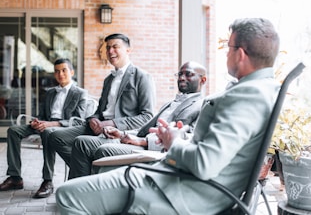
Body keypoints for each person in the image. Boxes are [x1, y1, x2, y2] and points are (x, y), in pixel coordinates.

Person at [55, 18, 280, 214]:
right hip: (175, 177)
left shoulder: (247, 96)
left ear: (240, 54)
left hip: (181, 192)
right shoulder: (260, 90)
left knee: (67, 195)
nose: (227, 53)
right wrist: (175, 137)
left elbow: (204, 164)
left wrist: (174, 141)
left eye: (229, 48)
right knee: (96, 164)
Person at [68, 61, 207, 179]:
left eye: (188, 74)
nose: (182, 77)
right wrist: (121, 134)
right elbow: (145, 129)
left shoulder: (202, 106)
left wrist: (142, 141)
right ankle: (73, 195)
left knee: (104, 150)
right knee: (82, 142)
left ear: (203, 80)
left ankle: (98, 200)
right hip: (138, 140)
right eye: (180, 74)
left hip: (155, 150)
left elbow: (189, 139)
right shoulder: (169, 104)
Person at [48, 33, 155, 175]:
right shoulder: (108, 79)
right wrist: (93, 118)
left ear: (128, 50)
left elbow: (147, 116)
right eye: (108, 48)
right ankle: (85, 167)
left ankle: (82, 171)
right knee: (55, 137)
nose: (110, 51)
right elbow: (100, 109)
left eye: (115, 47)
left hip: (117, 131)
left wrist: (112, 123)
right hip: (98, 126)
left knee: (81, 142)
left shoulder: (142, 77)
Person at [0, 58, 87, 199]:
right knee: (13, 131)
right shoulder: (50, 92)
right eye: (57, 71)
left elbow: (79, 121)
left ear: (71, 72)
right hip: (45, 124)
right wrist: (37, 121)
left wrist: (51, 124)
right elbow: (42, 115)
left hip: (63, 128)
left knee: (47, 132)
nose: (60, 74)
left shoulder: (80, 93)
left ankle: (47, 181)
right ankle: (15, 177)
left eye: (64, 70)